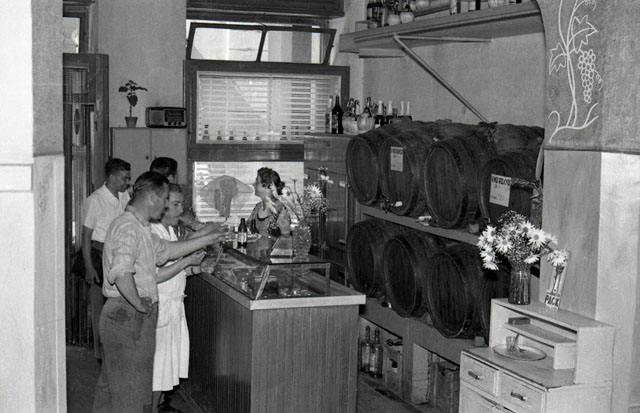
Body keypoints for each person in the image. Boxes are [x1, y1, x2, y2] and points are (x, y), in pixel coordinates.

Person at [93, 171, 225, 413]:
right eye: (165, 199)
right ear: (152, 197)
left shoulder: (139, 227)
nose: (165, 206)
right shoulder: (128, 227)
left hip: (125, 313)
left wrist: (207, 238)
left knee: (113, 389)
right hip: (128, 313)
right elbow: (121, 271)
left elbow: (167, 251)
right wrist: (139, 304)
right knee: (132, 393)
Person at [150, 184, 208, 413]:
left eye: (181, 204)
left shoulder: (170, 231)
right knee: (157, 371)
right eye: (175, 205)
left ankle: (160, 405)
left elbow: (176, 270)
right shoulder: (153, 233)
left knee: (165, 369)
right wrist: (187, 261)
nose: (180, 210)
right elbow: (156, 275)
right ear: (161, 206)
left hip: (174, 307)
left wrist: (195, 268)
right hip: (161, 308)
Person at [81, 158, 131, 360]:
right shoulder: (95, 200)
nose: (127, 182)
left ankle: (117, 349)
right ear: (111, 177)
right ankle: (100, 353)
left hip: (120, 253)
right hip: (99, 252)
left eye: (128, 178)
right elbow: (86, 236)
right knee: (99, 306)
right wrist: (89, 267)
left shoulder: (125, 196)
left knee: (118, 301)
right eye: (124, 178)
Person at [247, 167, 291, 237]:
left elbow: (286, 240)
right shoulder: (258, 207)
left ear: (268, 186)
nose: (253, 185)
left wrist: (266, 236)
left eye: (257, 182)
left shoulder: (281, 210)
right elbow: (247, 229)